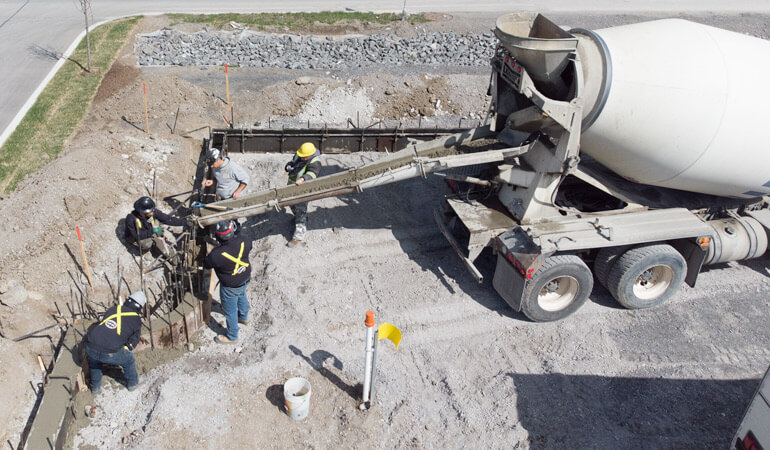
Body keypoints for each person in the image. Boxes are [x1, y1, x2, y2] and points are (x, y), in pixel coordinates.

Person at [85, 291, 146, 394]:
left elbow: (106, 328)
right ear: (140, 307)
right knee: (128, 360)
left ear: (128, 300)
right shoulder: (136, 320)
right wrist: (126, 348)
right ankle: (133, 384)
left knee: (94, 363)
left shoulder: (113, 309)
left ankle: (95, 389)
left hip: (90, 346)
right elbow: (133, 342)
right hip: (109, 352)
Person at [204, 220, 252, 344]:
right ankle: (244, 317)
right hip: (245, 277)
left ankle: (232, 336)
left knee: (230, 311)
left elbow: (207, 264)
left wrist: (217, 249)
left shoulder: (216, 255)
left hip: (230, 285)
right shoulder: (245, 241)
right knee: (241, 294)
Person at [284, 142, 321, 247]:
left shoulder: (315, 162)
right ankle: (300, 217)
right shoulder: (300, 155)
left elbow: (313, 173)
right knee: (291, 205)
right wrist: (288, 166)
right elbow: (292, 162)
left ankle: (297, 237)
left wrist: (303, 178)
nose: (302, 158)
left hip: (302, 190)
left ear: (309, 155)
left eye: (304, 157)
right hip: (291, 187)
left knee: (300, 209)